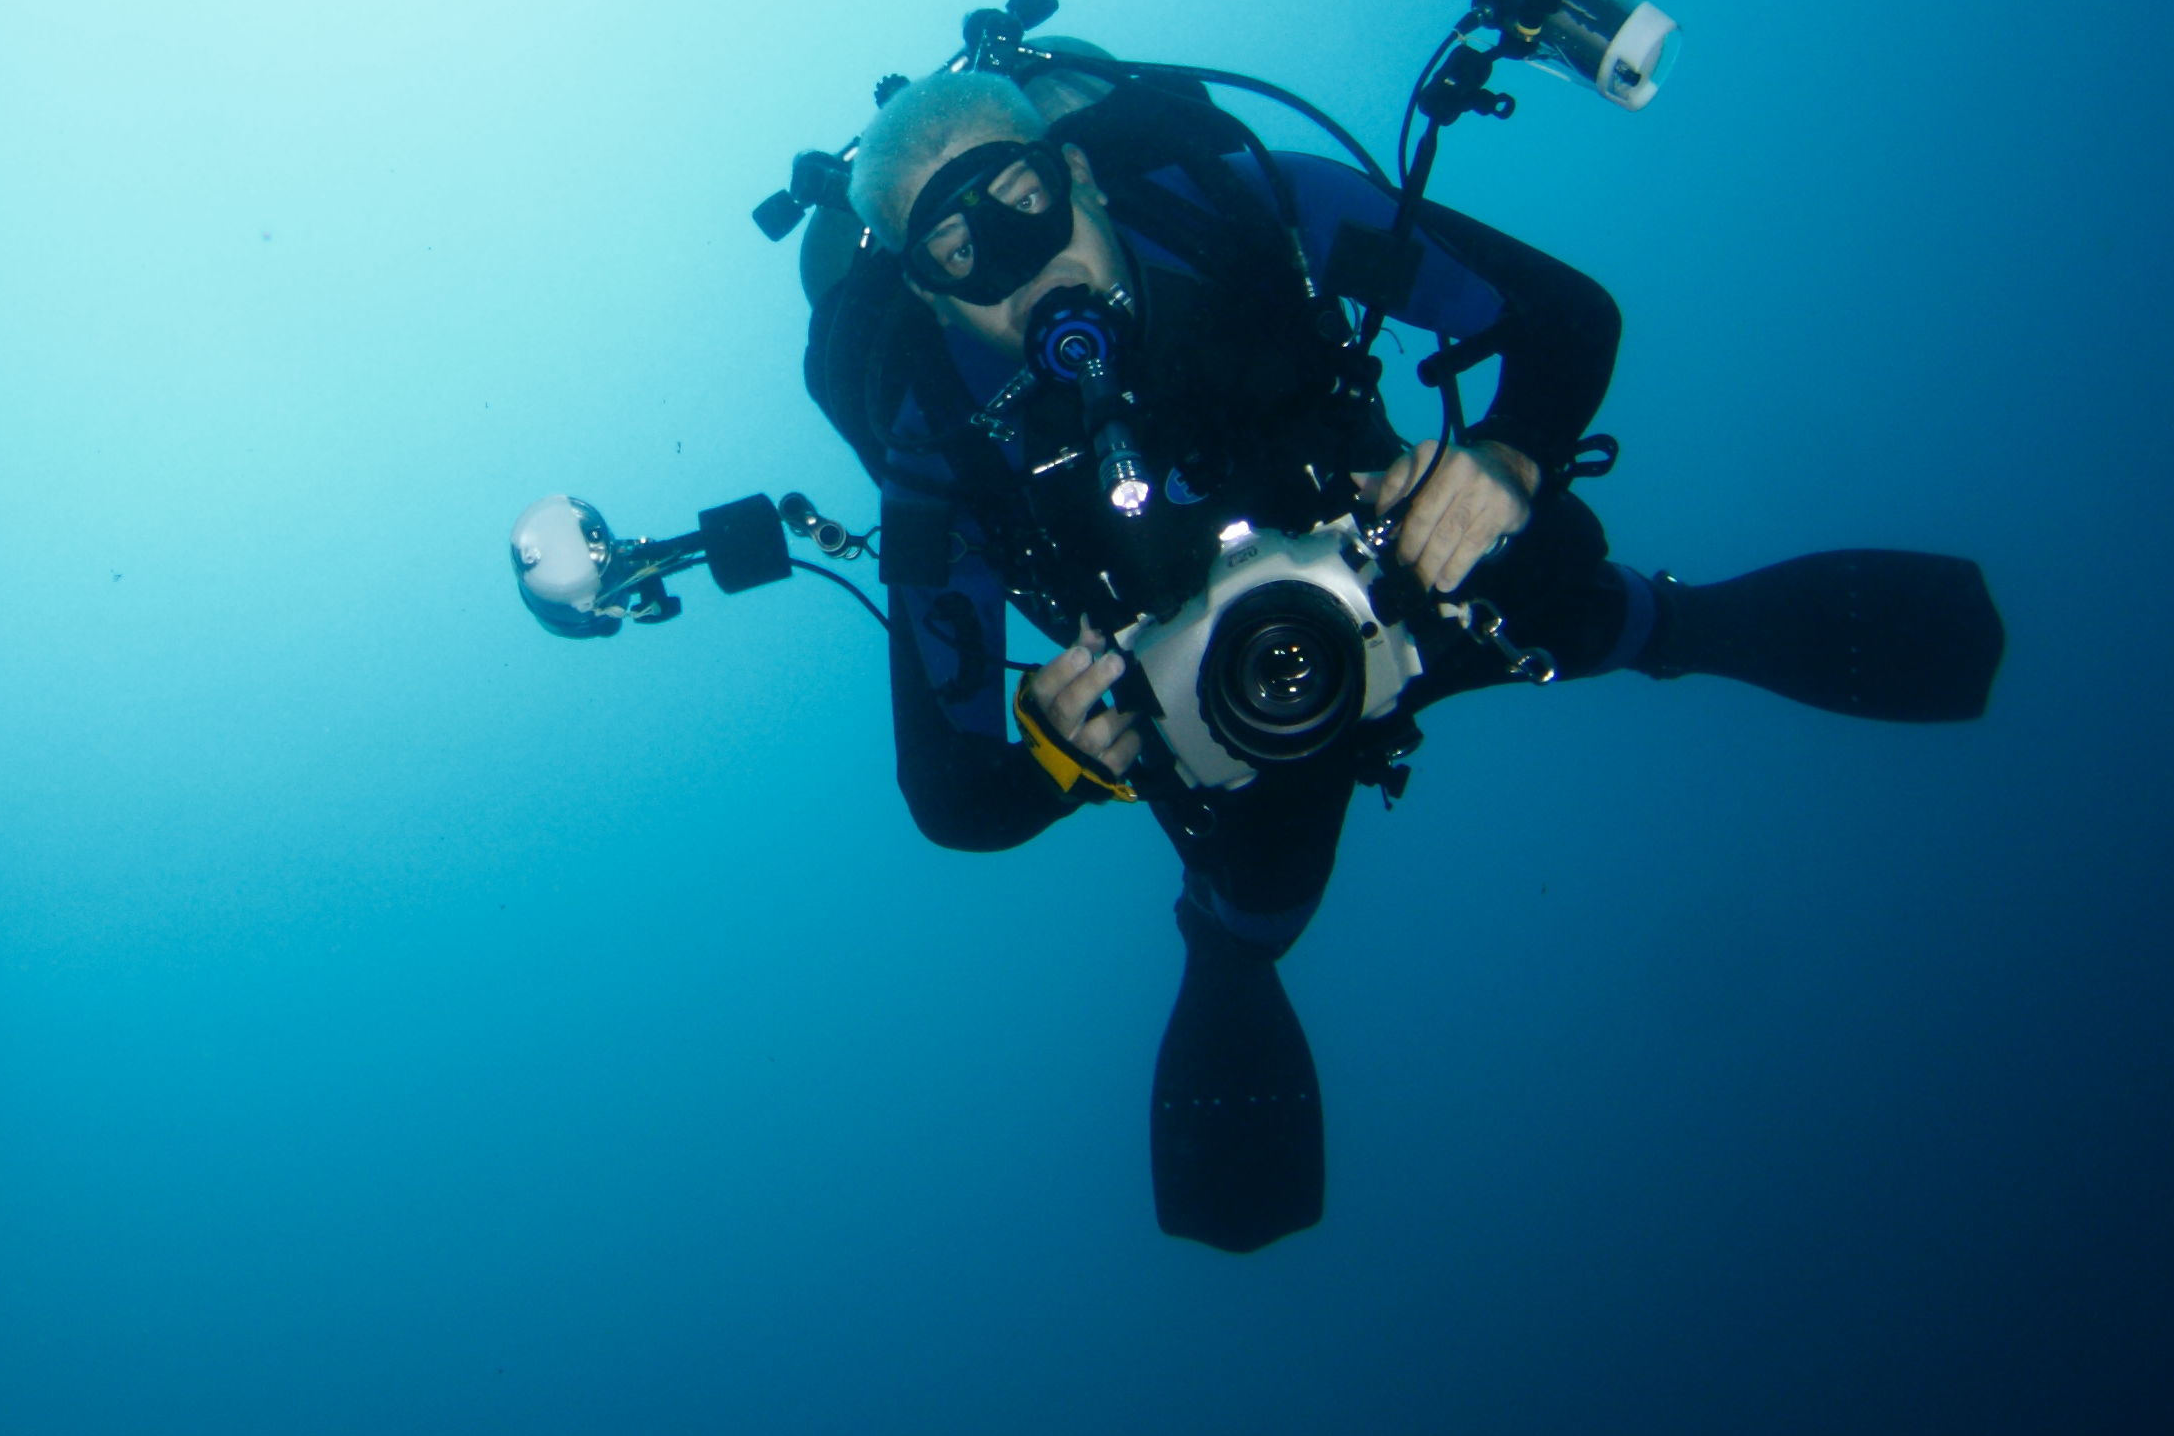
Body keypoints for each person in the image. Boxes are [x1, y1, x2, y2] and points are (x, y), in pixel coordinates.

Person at [803, 63, 2001, 1252]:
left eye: (1019, 199)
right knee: (1261, 879)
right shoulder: (940, 448)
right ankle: (1230, 944)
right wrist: (1064, 759)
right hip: (1233, 724)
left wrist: (1510, 458)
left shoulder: (1235, 210)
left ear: (1079, 174)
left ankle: (1672, 626)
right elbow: (952, 797)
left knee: (1552, 579)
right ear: (925, 294)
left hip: (1402, 564)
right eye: (957, 252)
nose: (1015, 267)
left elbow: (1564, 314)